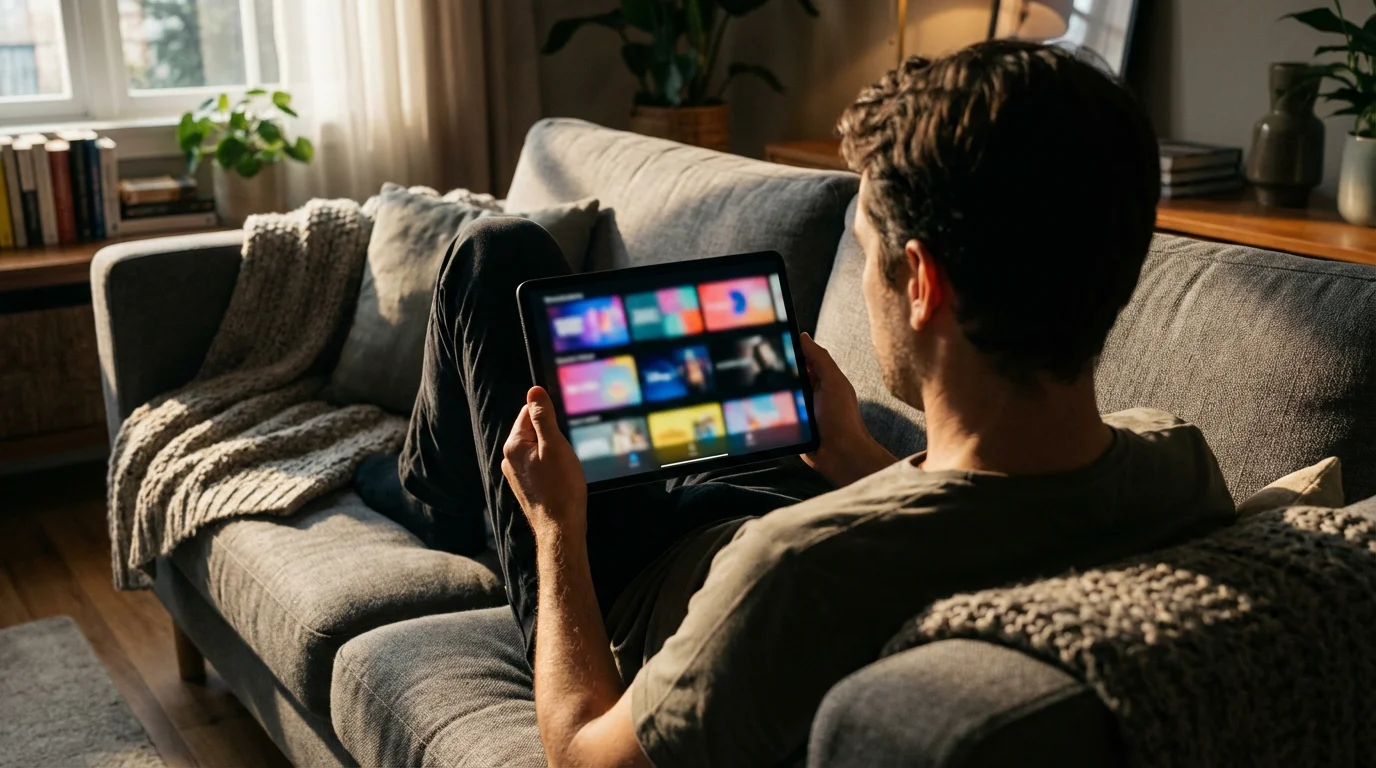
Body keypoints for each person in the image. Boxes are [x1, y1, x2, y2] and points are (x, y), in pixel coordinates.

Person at [397, 41, 1236, 767]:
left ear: (922, 283)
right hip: (804, 488)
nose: (864, 285)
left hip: (638, 567)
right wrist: (853, 456)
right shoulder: (1176, 463)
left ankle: (433, 497)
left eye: (867, 252)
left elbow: (584, 756)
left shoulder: (797, 575)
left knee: (495, 254)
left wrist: (555, 528)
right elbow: (970, 517)